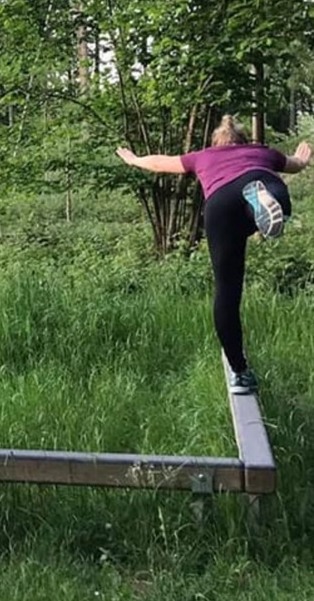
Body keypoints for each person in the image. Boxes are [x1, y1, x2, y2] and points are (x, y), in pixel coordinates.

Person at [116, 115, 310, 395]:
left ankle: (240, 373)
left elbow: (161, 163)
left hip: (220, 203)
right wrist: (302, 159)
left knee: (226, 291)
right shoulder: (262, 152)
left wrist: (135, 160)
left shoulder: (203, 156)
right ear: (243, 141)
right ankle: (261, 204)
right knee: (279, 202)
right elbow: (295, 164)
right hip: (260, 179)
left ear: (215, 143)